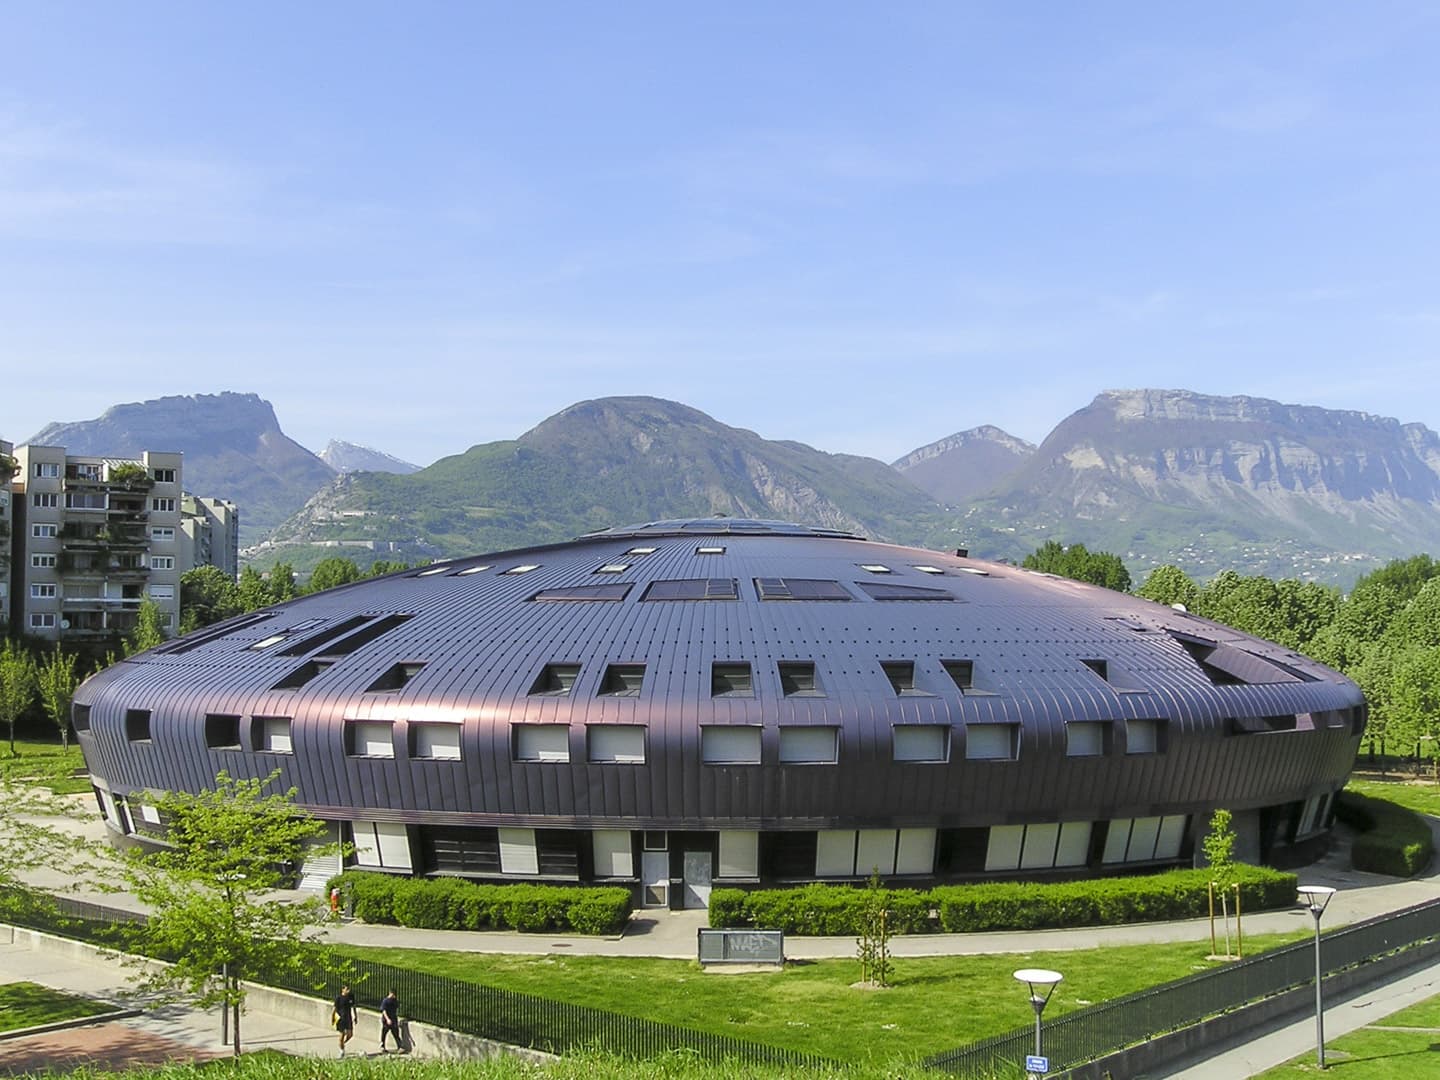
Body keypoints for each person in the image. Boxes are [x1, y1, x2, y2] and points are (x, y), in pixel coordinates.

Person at [333, 984, 357, 1056]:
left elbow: (353, 1006)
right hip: (341, 1018)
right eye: (347, 989)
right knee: (342, 1035)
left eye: (349, 989)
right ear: (343, 990)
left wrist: (355, 1016)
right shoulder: (339, 998)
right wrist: (333, 1019)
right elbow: (334, 1009)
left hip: (348, 1018)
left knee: (350, 1034)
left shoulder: (351, 996)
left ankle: (343, 1043)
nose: (348, 991)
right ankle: (341, 1050)